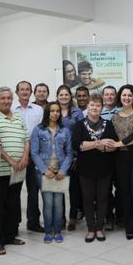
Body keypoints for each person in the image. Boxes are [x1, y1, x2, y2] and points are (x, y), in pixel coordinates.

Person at [0, 87, 29, 255]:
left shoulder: (18, 117)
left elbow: (26, 139)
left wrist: (24, 158)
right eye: (3, 98)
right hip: (0, 171)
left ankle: (10, 236)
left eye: (9, 98)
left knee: (13, 205)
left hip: (18, 170)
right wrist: (10, 160)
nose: (6, 101)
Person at [106, 84, 133, 243]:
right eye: (124, 95)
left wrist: (118, 144)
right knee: (125, 192)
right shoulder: (114, 117)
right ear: (120, 97)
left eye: (129, 95)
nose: (126, 98)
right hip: (122, 158)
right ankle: (129, 227)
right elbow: (110, 137)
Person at [72, 94, 118, 242]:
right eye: (92, 105)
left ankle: (99, 228)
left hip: (105, 168)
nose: (94, 108)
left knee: (103, 197)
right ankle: (90, 228)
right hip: (85, 169)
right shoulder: (79, 125)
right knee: (87, 198)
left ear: (101, 108)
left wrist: (102, 147)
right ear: (87, 107)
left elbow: (113, 146)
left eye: (98, 105)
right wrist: (99, 143)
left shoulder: (108, 124)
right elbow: (78, 145)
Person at [30, 101, 74, 243]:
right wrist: (44, 170)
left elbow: (69, 153)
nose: (55, 113)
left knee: (59, 203)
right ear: (47, 113)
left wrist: (63, 170)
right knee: (48, 203)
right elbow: (34, 153)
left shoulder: (65, 131)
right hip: (44, 173)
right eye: (52, 111)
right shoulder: (38, 130)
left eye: (57, 111)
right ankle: (48, 231)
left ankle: (58, 230)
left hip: (60, 172)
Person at [12, 81, 44, 234]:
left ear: (31, 92)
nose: (24, 92)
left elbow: (41, 133)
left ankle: (33, 222)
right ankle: (14, 223)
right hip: (15, 156)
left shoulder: (38, 110)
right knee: (14, 191)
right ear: (17, 92)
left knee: (33, 191)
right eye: (21, 89)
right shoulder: (10, 108)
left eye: (27, 89)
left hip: (34, 156)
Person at [56, 85, 85, 230]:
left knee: (74, 189)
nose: (64, 97)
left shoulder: (77, 112)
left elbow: (80, 134)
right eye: (61, 94)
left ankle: (73, 217)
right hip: (57, 157)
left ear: (70, 96)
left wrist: (77, 157)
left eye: (66, 94)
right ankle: (60, 218)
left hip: (73, 156)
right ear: (57, 96)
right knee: (60, 188)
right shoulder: (53, 111)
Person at [100, 85, 121, 230]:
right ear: (102, 96)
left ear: (116, 96)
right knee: (105, 189)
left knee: (121, 187)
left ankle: (120, 215)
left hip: (120, 155)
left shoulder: (122, 111)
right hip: (102, 156)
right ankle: (108, 217)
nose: (109, 97)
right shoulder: (96, 111)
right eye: (106, 94)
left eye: (112, 94)